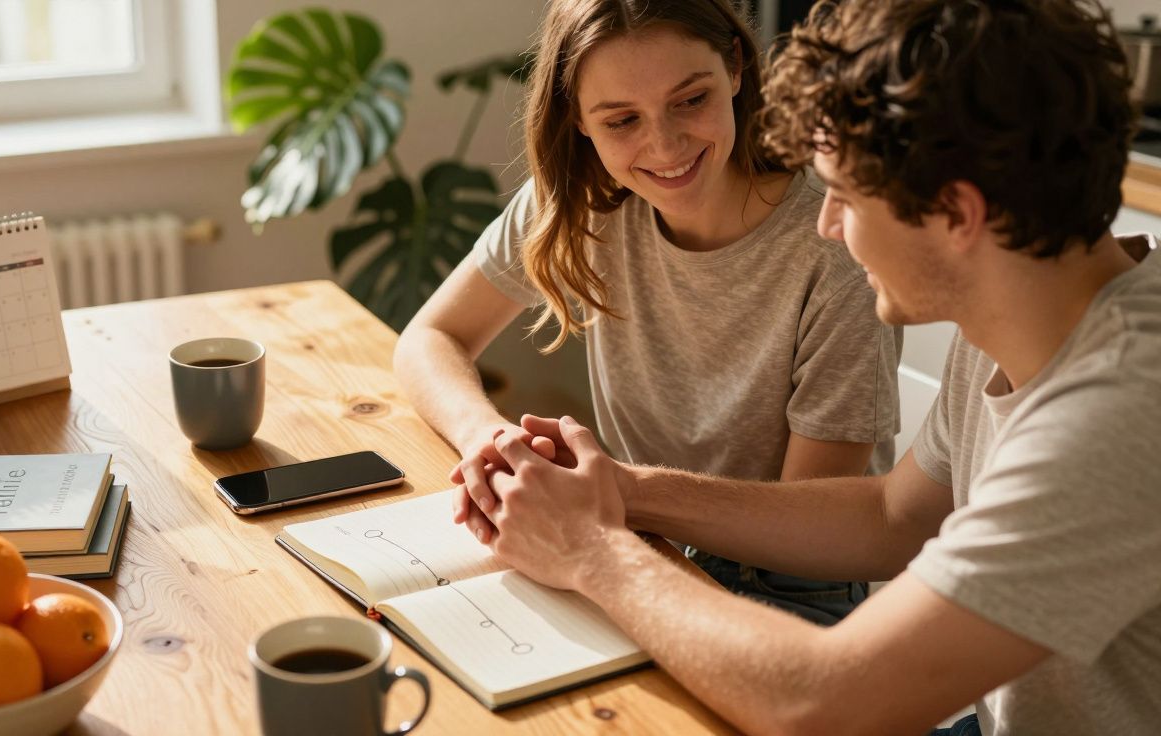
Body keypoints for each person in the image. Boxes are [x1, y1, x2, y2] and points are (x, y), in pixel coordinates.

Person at [458, 0, 1161, 733]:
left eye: (847, 197)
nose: (827, 223)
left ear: (957, 214)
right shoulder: (1024, 309)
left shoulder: (1117, 414)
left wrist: (592, 553)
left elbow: (825, 701)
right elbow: (897, 516)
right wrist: (625, 490)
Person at [394, 0, 901, 624]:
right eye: (621, 120)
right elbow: (431, 337)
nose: (665, 145)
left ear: (736, 67)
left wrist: (614, 498)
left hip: (787, 585)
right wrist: (491, 439)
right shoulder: (580, 203)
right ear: (577, 119)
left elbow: (811, 521)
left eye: (691, 100)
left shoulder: (834, 241)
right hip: (638, 535)